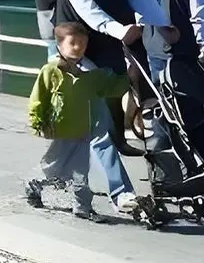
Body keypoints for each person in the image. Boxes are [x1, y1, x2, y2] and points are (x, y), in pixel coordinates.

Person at [57, 0, 179, 219]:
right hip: (79, 51)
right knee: (99, 126)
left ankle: (56, 177)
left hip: (110, 48)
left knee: (98, 127)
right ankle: (121, 193)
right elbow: (85, 7)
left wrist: (162, 24)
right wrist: (117, 29)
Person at [25, 21, 131, 221]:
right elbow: (37, 98)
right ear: (59, 46)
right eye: (73, 43)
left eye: (82, 44)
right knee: (54, 169)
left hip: (82, 132)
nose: (78, 48)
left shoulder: (90, 77)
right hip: (59, 131)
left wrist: (130, 78)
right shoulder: (50, 72)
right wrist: (38, 122)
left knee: (81, 172)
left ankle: (82, 207)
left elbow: (111, 88)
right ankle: (34, 183)